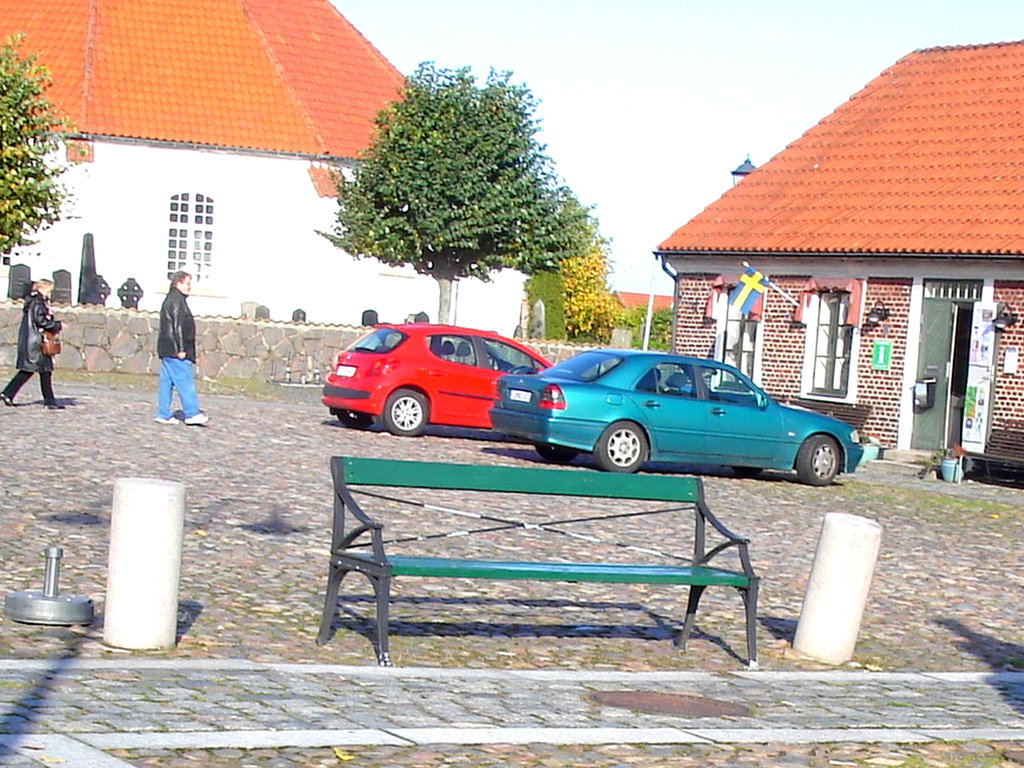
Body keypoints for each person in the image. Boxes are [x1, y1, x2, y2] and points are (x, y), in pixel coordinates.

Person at [1, 279, 66, 410]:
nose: (49, 293)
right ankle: (49, 401)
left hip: (34, 342)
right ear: (42, 289)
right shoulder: (38, 302)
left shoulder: (35, 301)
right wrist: (58, 325)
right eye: (48, 290)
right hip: (37, 343)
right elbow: (40, 320)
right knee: (41, 371)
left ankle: (8, 393)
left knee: (33, 371)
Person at [155, 271, 208, 425]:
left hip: (166, 348)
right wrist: (180, 349)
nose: (189, 287)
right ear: (178, 283)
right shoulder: (177, 301)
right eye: (187, 284)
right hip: (175, 349)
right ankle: (191, 413)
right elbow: (177, 326)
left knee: (166, 382)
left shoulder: (170, 299)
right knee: (185, 380)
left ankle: (163, 413)